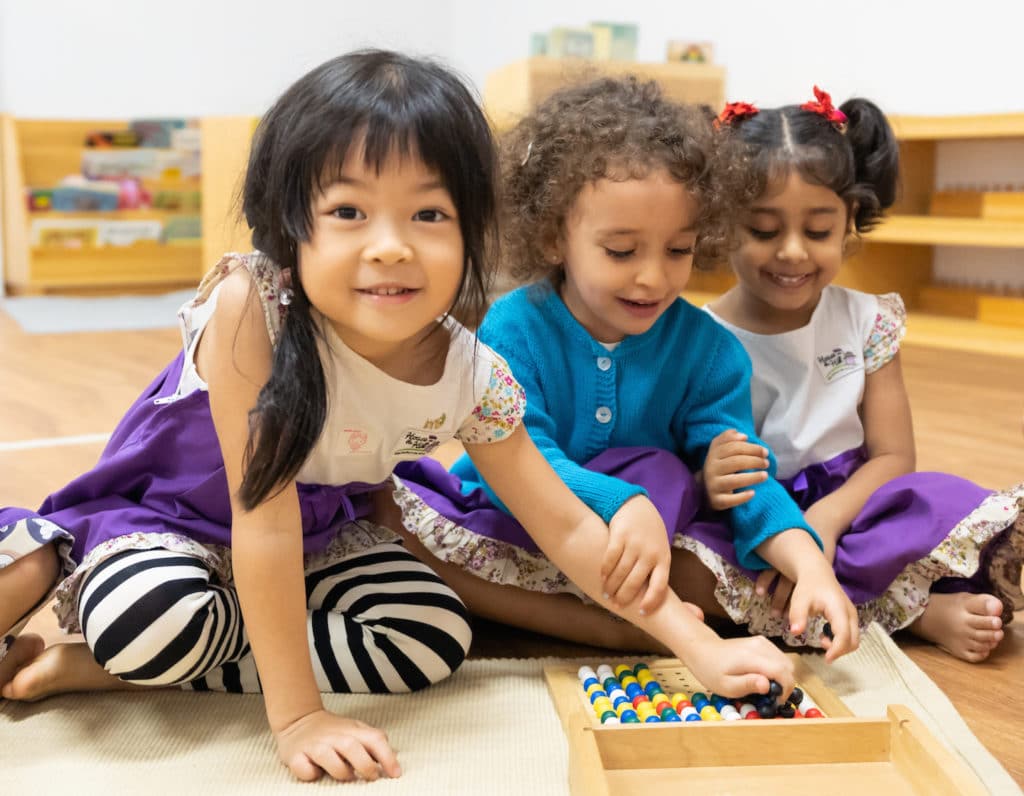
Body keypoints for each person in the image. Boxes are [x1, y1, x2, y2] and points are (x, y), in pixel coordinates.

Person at [0, 52, 808, 784]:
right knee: (151, 618)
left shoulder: (472, 371)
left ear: (473, 232)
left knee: (431, 637)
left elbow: (565, 526)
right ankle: (98, 615)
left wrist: (700, 644)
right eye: (349, 213)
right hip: (172, 521)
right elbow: (263, 520)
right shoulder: (254, 310)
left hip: (316, 539)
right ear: (290, 226)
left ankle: (151, 660)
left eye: (429, 216)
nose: (391, 247)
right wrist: (300, 716)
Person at [385, 76, 859, 673]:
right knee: (394, 520)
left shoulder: (711, 351)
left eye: (678, 250)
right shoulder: (511, 330)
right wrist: (623, 503)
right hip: (517, 519)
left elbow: (746, 480)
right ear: (556, 236)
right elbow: (523, 462)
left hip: (645, 545)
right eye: (621, 251)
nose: (653, 279)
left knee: (742, 558)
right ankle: (627, 627)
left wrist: (812, 566)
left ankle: (599, 617)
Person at [687, 87, 1024, 662]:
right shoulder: (696, 334)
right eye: (764, 231)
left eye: (817, 232)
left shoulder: (867, 321)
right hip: (753, 517)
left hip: (855, 503)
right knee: (689, 562)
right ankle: (910, 609)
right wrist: (706, 481)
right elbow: (686, 456)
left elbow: (894, 458)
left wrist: (827, 518)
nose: (792, 252)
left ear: (850, 223)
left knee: (937, 506)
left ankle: (888, 606)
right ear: (720, 226)